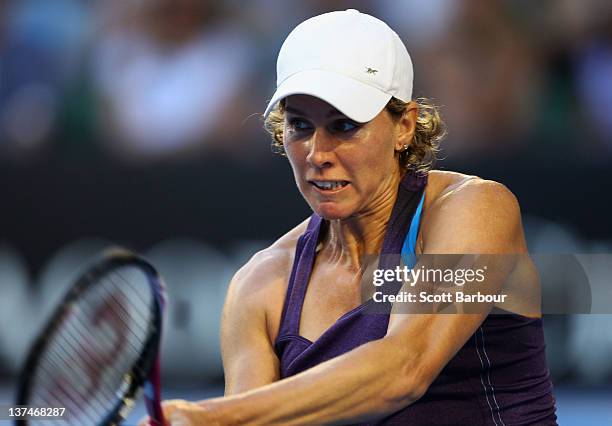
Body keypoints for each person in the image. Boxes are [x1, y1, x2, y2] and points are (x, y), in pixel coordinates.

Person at [142, 9, 557, 425]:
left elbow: (405, 368)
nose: (318, 154)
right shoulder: (259, 286)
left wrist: (206, 417)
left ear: (405, 127)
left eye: (344, 126)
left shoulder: (476, 208)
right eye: (300, 125)